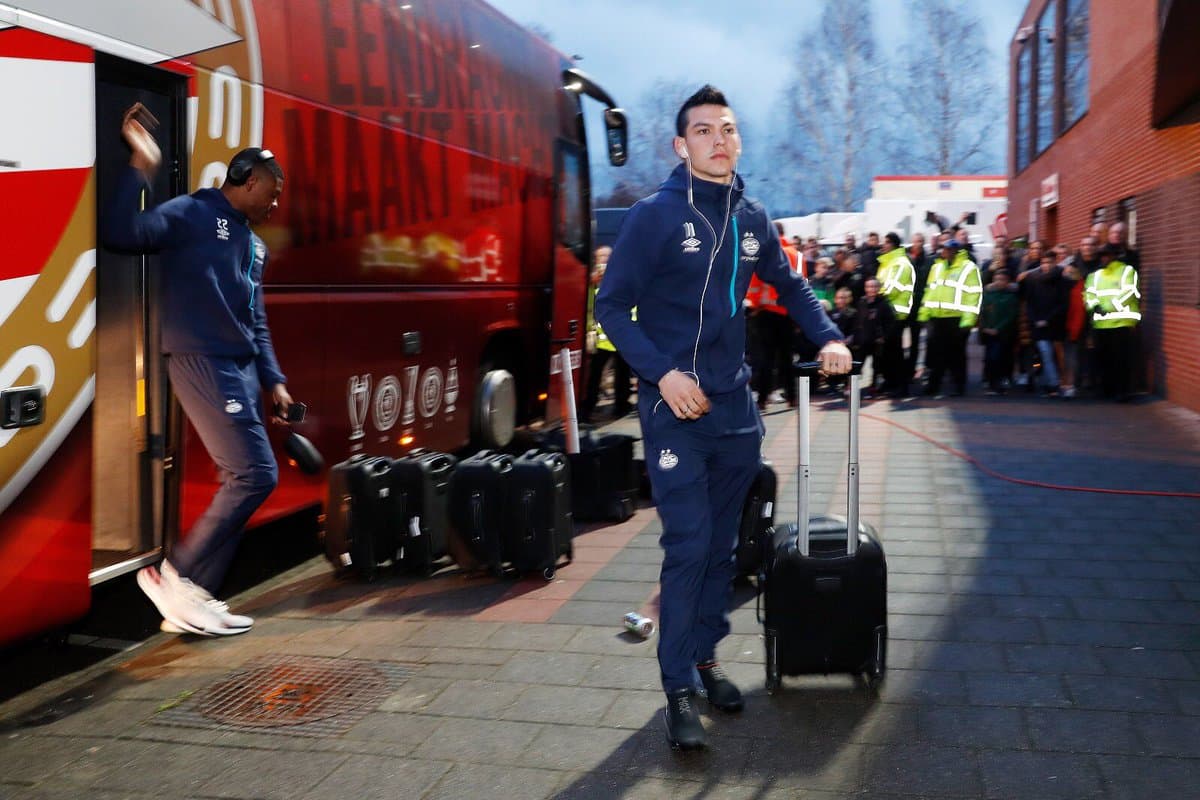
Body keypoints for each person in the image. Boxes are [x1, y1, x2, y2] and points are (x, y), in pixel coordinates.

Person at [594, 85, 851, 750]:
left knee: (722, 549)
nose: (718, 139)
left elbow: (791, 286)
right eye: (703, 130)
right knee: (687, 545)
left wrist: (826, 334)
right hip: (675, 408)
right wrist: (662, 373)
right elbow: (613, 307)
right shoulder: (653, 216)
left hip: (735, 410)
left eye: (728, 129)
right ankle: (676, 684)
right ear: (681, 145)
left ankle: (705, 661)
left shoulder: (753, 217)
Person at [103, 103, 292, 637]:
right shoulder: (193, 212)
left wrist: (274, 380)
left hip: (240, 370)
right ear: (247, 179)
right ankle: (175, 575)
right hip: (200, 361)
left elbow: (256, 319)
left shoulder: (253, 247)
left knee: (245, 478)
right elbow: (124, 231)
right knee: (256, 475)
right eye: (272, 190)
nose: (276, 202)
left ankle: (194, 598)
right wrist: (142, 163)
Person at [746, 223, 802, 409]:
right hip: (789, 313)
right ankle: (792, 397)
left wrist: (752, 304)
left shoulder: (765, 252)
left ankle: (762, 399)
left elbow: (755, 282)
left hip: (765, 313)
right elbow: (803, 284)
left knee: (765, 359)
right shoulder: (796, 255)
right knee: (787, 357)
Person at [917, 238, 982, 397]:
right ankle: (933, 386)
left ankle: (959, 386)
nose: (943, 251)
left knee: (957, 355)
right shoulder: (937, 267)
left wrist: (968, 320)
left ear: (954, 250)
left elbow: (974, 293)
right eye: (942, 248)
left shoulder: (969, 268)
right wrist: (924, 313)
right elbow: (930, 290)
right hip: (937, 318)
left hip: (956, 318)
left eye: (946, 249)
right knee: (936, 354)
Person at [581, 247, 633, 422]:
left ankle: (621, 405)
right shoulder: (592, 280)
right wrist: (589, 329)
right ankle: (587, 408)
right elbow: (588, 306)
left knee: (622, 375)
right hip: (602, 339)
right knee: (594, 376)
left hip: (622, 336)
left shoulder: (623, 274)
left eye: (607, 256)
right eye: (600, 256)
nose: (603, 259)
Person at [1085, 243, 1141, 400]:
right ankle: (1106, 389)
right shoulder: (1094, 275)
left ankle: (1122, 391)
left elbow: (1129, 292)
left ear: (1114, 255)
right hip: (1101, 324)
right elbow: (1089, 294)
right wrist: (1094, 307)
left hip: (1121, 322)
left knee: (1121, 359)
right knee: (1103, 358)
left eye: (1107, 255)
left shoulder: (1126, 271)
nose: (1103, 258)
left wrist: (1108, 308)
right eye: (1101, 255)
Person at [875, 232, 915, 396]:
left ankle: (901, 386)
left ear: (893, 245)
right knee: (887, 352)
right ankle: (890, 382)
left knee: (896, 353)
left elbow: (892, 288)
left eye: (886, 242)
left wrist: (876, 297)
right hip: (886, 313)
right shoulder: (887, 262)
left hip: (895, 314)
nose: (882, 245)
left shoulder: (901, 263)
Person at [978, 270, 1019, 394]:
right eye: (997, 279)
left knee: (1002, 358)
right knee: (990, 358)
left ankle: (1000, 382)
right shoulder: (989, 294)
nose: (999, 282)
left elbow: (1011, 316)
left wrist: (998, 328)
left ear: (1007, 282)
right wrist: (984, 327)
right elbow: (982, 312)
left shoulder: (1011, 297)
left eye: (1002, 279)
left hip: (1004, 334)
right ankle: (990, 381)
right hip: (989, 333)